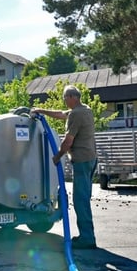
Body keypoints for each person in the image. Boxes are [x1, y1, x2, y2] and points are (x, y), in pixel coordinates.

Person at [31, 84, 98, 249]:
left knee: (80, 200)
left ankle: (87, 239)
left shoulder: (76, 114)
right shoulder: (85, 110)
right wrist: (41, 110)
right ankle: (87, 236)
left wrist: (57, 157)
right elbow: (61, 114)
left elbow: (68, 140)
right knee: (83, 198)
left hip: (82, 161)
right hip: (90, 159)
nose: (64, 101)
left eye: (64, 98)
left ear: (72, 97)